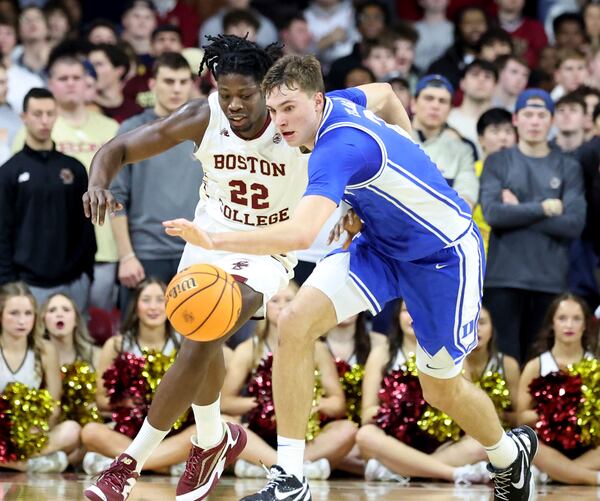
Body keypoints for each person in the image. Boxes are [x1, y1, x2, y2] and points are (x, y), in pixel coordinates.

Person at [163, 53, 539, 501]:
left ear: (317, 101)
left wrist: (214, 239)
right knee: (294, 322)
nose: (280, 121)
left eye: (290, 110)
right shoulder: (334, 104)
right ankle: (290, 477)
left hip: (443, 257)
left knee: (439, 388)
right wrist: (409, 150)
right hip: (379, 244)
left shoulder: (337, 149)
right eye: (275, 108)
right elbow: (386, 94)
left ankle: (507, 455)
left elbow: (301, 232)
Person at [82, 35, 408, 501]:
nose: (234, 105)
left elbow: (379, 104)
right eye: (225, 93)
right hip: (206, 239)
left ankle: (129, 465)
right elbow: (117, 150)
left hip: (267, 250)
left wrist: (362, 201)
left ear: (269, 91)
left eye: (246, 95)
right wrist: (98, 183)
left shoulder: (300, 117)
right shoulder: (204, 116)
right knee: (201, 335)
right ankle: (214, 439)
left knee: (202, 336)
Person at [481, 89, 587, 364]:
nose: (535, 121)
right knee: (502, 362)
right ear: (516, 119)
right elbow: (493, 213)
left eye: (542, 115)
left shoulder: (568, 166)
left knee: (540, 364)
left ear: (551, 121)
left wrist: (517, 210)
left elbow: (574, 224)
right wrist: (545, 207)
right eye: (528, 114)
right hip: (502, 278)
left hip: (550, 280)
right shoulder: (498, 161)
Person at [222, 282, 356, 480]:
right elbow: (224, 402)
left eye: (289, 300)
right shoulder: (249, 349)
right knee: (223, 424)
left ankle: (269, 467)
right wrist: (263, 405)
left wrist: (311, 405)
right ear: (264, 307)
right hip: (260, 435)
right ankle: (293, 468)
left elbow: (338, 403)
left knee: (348, 430)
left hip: (304, 435)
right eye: (275, 301)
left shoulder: (316, 348)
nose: (282, 306)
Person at [356, 299, 489, 484]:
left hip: (440, 443)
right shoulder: (382, 354)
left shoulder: (452, 353)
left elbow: (468, 407)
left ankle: (403, 472)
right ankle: (452, 473)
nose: (412, 317)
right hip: (396, 442)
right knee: (365, 435)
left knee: (481, 443)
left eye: (418, 309)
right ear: (397, 316)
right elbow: (367, 413)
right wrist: (399, 412)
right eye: (405, 310)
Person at [110, 52, 201, 315]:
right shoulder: (131, 129)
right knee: (138, 343)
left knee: (193, 342)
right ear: (152, 84)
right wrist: (127, 256)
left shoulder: (206, 131)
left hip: (195, 252)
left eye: (183, 82)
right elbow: (116, 197)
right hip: (145, 254)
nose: (176, 89)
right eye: (169, 81)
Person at [80, 278, 195, 477]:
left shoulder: (186, 345)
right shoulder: (116, 345)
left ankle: (127, 464)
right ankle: (167, 466)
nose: (153, 307)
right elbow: (99, 399)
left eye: (160, 300)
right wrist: (123, 402)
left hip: (173, 432)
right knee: (90, 432)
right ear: (135, 307)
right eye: (146, 300)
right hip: (129, 432)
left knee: (207, 430)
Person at [0, 88, 96, 312]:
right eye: (37, 114)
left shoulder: (74, 169)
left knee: (75, 346)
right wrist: (8, 283)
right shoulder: (9, 173)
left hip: (73, 281)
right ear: (24, 117)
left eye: (50, 113)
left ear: (57, 115)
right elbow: (2, 232)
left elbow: (86, 226)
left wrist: (86, 273)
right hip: (25, 284)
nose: (44, 121)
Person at [517, 293, 600, 486]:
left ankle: (557, 474)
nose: (569, 325)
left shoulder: (596, 366)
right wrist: (555, 414)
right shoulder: (536, 365)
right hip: (547, 446)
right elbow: (522, 417)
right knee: (527, 444)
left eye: (576, 318)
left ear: (585, 325)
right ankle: (592, 478)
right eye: (562, 318)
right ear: (552, 324)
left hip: (588, 446)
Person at [0, 282, 81, 473]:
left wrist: (38, 428)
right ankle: (29, 464)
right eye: (14, 313)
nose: (22, 321)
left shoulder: (45, 350)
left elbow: (54, 405)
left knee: (72, 430)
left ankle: (12, 462)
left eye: (28, 314)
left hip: (30, 434)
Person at [410, 74, 479, 208]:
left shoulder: (462, 150)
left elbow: (467, 197)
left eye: (442, 101)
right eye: (429, 98)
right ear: (413, 104)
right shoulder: (393, 139)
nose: (435, 105)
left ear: (450, 110)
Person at [472, 107, 516, 254]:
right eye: (495, 131)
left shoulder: (524, 173)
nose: (503, 138)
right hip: (476, 251)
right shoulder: (470, 173)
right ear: (481, 139)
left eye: (508, 131)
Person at [447, 58, 498, 156]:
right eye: (475, 75)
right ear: (462, 83)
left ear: (495, 86)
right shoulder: (446, 119)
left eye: (487, 76)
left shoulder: (504, 122)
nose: (481, 80)